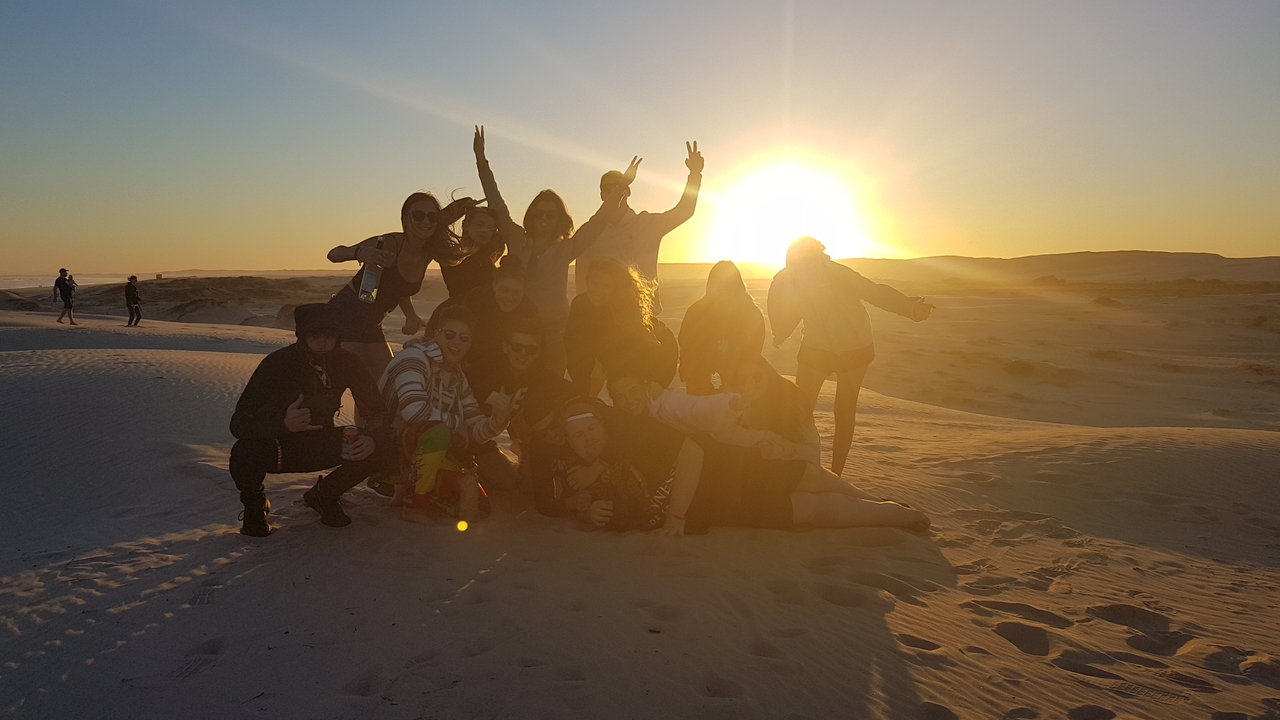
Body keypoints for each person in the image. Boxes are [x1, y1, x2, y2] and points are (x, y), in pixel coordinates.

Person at [533, 398, 929, 536]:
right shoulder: (572, 478)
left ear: (603, 426)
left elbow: (690, 451)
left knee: (809, 476)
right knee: (813, 510)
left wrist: (675, 517)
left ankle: (881, 503)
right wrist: (581, 508)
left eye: (591, 430)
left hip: (725, 470)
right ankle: (895, 518)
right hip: (722, 507)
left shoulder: (634, 438)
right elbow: (548, 503)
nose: (586, 440)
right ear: (567, 442)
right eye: (577, 436)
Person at [768, 237, 934, 476]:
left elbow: (874, 292)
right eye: (797, 261)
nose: (804, 266)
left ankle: (836, 475)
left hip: (855, 345)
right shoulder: (787, 279)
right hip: (817, 345)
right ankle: (802, 466)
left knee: (844, 411)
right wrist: (780, 333)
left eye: (808, 259)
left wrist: (910, 307)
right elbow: (786, 309)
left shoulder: (838, 274)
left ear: (819, 257)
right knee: (800, 409)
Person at [472, 125, 627, 375]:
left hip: (555, 329)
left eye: (551, 214)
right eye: (539, 212)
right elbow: (496, 203)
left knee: (551, 383)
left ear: (559, 219)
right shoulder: (516, 238)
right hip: (519, 327)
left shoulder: (567, 248)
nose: (544, 218)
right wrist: (481, 161)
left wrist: (618, 191)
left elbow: (597, 223)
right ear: (531, 215)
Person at [228, 303, 392, 536]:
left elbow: (377, 411)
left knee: (384, 447)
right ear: (302, 335)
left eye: (329, 335)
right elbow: (239, 422)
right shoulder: (278, 363)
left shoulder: (349, 362)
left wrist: (373, 438)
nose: (322, 342)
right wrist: (282, 423)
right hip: (279, 445)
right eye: (315, 335)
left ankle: (325, 494)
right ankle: (255, 506)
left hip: (323, 443)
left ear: (339, 336)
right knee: (243, 453)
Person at [379, 304, 519, 522]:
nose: (457, 342)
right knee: (438, 431)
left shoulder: (457, 377)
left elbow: (474, 430)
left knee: (477, 506)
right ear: (437, 335)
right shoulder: (413, 358)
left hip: (414, 449)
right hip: (381, 448)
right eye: (450, 335)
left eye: (465, 338)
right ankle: (414, 506)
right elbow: (414, 412)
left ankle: (405, 492)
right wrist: (458, 424)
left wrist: (499, 419)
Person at [325, 191, 477, 386]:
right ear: (405, 219)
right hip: (344, 317)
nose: (426, 221)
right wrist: (360, 252)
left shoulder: (427, 252)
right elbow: (334, 254)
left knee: (384, 386)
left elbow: (399, 288)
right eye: (418, 216)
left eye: (432, 217)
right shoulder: (388, 243)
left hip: (372, 324)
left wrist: (410, 315)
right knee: (358, 386)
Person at [573, 141, 705, 311]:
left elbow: (685, 210)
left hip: (645, 316)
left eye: (619, 187)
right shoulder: (590, 233)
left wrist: (695, 174)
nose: (615, 192)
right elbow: (582, 283)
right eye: (609, 188)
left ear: (628, 191)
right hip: (603, 320)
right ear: (601, 194)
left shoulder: (648, 224)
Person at [605, 366, 817, 464]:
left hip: (796, 464)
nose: (629, 400)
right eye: (620, 397)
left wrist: (735, 403)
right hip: (753, 460)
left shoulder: (790, 402)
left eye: (633, 392)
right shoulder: (635, 416)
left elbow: (697, 406)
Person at [467, 321, 574, 490]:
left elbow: (578, 398)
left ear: (538, 352)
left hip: (502, 438)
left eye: (530, 349)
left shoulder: (543, 378)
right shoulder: (483, 374)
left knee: (523, 486)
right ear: (505, 347)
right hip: (468, 438)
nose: (523, 353)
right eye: (517, 347)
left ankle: (524, 452)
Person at [564, 258, 678, 397]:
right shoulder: (581, 304)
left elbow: (667, 340)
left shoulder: (625, 308)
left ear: (616, 288)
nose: (598, 291)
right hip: (607, 365)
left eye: (606, 286)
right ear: (587, 281)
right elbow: (573, 347)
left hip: (639, 369)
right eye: (594, 284)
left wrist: (659, 380)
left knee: (629, 410)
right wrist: (581, 387)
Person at [425, 255, 540, 373]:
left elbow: (539, 350)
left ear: (524, 292)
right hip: (466, 361)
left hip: (499, 365)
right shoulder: (476, 301)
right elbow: (446, 331)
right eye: (504, 290)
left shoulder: (529, 310)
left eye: (516, 292)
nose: (510, 297)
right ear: (494, 286)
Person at [678, 260, 765, 395]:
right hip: (704, 358)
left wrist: (733, 382)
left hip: (737, 360)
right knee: (696, 381)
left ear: (737, 284)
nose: (724, 285)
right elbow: (687, 345)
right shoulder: (697, 311)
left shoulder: (750, 313)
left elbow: (753, 353)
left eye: (729, 281)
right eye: (719, 281)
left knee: (743, 382)